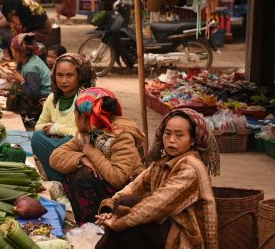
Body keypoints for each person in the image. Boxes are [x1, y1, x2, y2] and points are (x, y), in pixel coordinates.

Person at [94, 108, 220, 249]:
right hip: (165, 228)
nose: (171, 140)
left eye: (179, 135)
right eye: (167, 134)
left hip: (186, 240)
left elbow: (157, 205)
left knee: (130, 207)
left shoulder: (191, 167)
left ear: (192, 141)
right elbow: (135, 186)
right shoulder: (162, 163)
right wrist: (110, 208)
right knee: (126, 205)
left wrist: (117, 222)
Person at [49, 87, 145, 225]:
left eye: (75, 115)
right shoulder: (88, 133)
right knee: (73, 170)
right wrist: (82, 158)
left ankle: (96, 225)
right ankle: (87, 225)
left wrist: (92, 152)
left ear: (83, 117)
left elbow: (118, 178)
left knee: (83, 175)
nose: (75, 120)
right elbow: (55, 157)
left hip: (126, 193)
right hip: (106, 185)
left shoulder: (121, 136)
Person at [31, 53, 96, 182]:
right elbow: (38, 127)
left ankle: (62, 180)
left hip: (78, 147)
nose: (63, 81)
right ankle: (59, 180)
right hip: (55, 145)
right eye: (59, 75)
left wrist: (56, 128)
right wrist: (57, 129)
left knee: (66, 142)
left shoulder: (87, 100)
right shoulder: (52, 99)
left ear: (80, 76)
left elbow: (85, 135)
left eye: (69, 75)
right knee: (37, 138)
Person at [0, 32, 51, 128]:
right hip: (46, 96)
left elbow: (33, 94)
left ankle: (32, 116)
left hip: (46, 101)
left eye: (13, 50)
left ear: (19, 52)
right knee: (16, 84)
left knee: (16, 87)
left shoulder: (31, 67)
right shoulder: (31, 60)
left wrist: (21, 80)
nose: (12, 53)